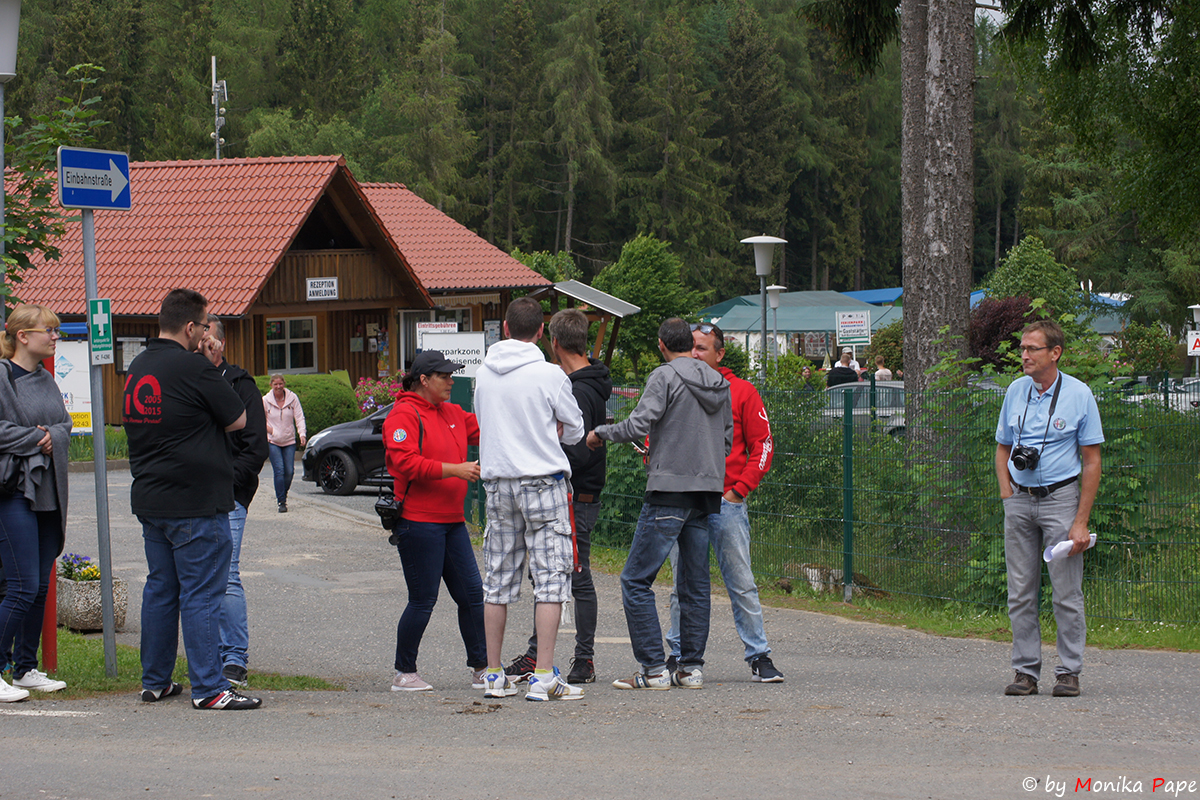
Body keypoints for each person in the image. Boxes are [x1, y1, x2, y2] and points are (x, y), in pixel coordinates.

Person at [124, 289, 261, 710]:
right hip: (195, 502)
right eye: (205, 326)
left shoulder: (139, 365)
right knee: (202, 593)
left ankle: (156, 680)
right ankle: (209, 688)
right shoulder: (194, 368)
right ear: (190, 327)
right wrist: (204, 361)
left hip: (152, 498)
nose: (208, 333)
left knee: (161, 590)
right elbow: (238, 418)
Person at [586, 317, 732, 692]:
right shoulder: (720, 383)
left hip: (669, 491)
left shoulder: (664, 376)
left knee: (635, 579)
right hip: (706, 493)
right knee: (695, 584)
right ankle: (690, 668)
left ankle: (653, 668)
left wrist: (601, 433)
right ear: (690, 343)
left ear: (661, 344)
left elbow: (638, 424)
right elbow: (727, 440)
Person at [474, 297, 586, 702]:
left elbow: (485, 421)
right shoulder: (549, 374)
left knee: (498, 581)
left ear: (505, 328)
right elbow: (575, 428)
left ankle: (492, 674)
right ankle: (543, 676)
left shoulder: (484, 373)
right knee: (552, 578)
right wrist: (551, 430)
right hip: (542, 481)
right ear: (541, 331)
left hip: (498, 483)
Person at [664, 323, 784, 683]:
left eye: (702, 348)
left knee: (741, 580)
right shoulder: (675, 386)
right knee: (680, 584)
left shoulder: (743, 392)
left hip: (726, 502)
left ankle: (759, 655)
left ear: (720, 354)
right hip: (684, 501)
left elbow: (762, 445)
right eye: (692, 347)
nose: (695, 354)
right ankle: (678, 655)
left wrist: (738, 490)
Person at [995, 319, 1103, 698]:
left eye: (1032, 349)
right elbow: (1003, 447)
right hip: (1020, 501)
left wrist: (1081, 521)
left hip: (1060, 499)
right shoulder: (1015, 391)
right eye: (1022, 348)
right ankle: (1025, 671)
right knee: (1020, 591)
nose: (1023, 356)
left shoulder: (1079, 394)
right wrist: (1008, 494)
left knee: (1065, 592)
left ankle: (1069, 671)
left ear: (1054, 353)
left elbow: (1091, 461)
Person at [504, 309, 611, 686]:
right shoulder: (588, 380)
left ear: (555, 342)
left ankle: (581, 658)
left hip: (574, 494)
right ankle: (541, 652)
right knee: (552, 575)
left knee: (571, 577)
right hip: (579, 492)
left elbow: (579, 449)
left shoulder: (578, 390)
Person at [382, 350, 486, 692]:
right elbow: (405, 463)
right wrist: (454, 470)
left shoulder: (453, 412)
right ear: (424, 380)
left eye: (451, 375)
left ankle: (482, 668)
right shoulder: (403, 415)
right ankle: (404, 672)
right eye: (444, 376)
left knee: (472, 594)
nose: (451, 381)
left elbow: (487, 432)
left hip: (452, 521)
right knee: (424, 598)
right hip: (418, 521)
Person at [0, 305, 72, 702]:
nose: (55, 337)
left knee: (40, 586)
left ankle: (25, 668)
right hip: (13, 492)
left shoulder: (45, 379)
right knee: (22, 586)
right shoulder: (2, 376)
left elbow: (64, 424)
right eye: (50, 330)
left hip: (47, 492)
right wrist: (37, 439)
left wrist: (51, 437)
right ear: (23, 335)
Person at [200, 315, 269, 688]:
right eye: (199, 338)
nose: (204, 345)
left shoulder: (240, 384)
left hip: (229, 497)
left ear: (222, 343)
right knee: (197, 579)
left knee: (226, 575)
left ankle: (233, 657)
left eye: (210, 338)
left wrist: (231, 486)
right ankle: (206, 656)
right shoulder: (187, 379)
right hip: (191, 497)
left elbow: (255, 445)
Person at [263, 374, 306, 513]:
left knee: (290, 471)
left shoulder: (292, 398)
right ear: (271, 385)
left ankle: (283, 491)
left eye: (280, 384)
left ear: (284, 384)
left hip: (289, 440)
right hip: (273, 441)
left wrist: (302, 434)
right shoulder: (265, 400)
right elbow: (260, 420)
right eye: (275, 384)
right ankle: (281, 501)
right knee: (279, 470)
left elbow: (299, 417)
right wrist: (272, 431)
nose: (278, 387)